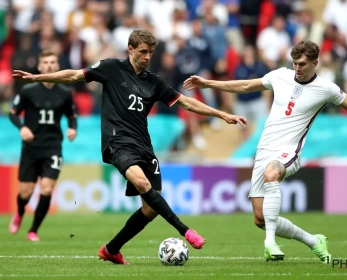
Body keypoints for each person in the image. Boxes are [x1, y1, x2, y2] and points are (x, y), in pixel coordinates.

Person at [12, 29, 247, 264]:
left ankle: (112, 249)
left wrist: (221, 114)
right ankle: (185, 230)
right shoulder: (112, 68)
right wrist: (36, 78)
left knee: (150, 208)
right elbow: (74, 76)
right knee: (143, 183)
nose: (147, 57)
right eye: (143, 52)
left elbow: (185, 102)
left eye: (151, 53)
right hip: (117, 143)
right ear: (131, 49)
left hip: (144, 145)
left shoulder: (153, 82)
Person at [183, 40, 347, 263]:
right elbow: (246, 86)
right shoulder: (280, 76)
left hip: (289, 151)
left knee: (272, 174)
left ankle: (270, 243)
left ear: (315, 63)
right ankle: (314, 241)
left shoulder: (326, 88)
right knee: (261, 218)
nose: (297, 67)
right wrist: (207, 83)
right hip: (264, 149)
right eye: (295, 63)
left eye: (303, 64)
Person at [9, 50, 78, 241]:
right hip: (31, 147)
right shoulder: (28, 90)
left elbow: (72, 117)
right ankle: (20, 212)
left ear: (57, 66)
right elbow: (13, 113)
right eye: (45, 62)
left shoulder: (64, 93)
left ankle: (33, 230)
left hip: (53, 147)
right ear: (40, 67)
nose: (49, 65)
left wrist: (73, 129)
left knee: (47, 189)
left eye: (52, 62)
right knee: (26, 193)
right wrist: (22, 128)